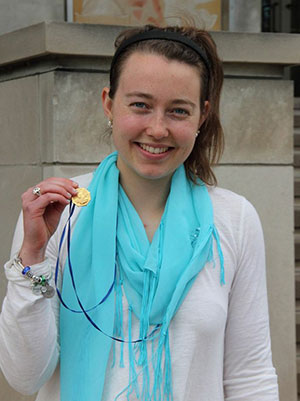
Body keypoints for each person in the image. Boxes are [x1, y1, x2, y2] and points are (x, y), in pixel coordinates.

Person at [0, 24, 279, 401]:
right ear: (109, 104)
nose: (158, 128)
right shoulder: (59, 214)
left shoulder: (234, 218)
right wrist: (32, 260)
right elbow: (25, 376)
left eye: (179, 111)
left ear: (202, 116)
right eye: (140, 105)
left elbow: (251, 376)